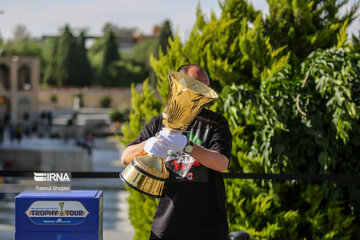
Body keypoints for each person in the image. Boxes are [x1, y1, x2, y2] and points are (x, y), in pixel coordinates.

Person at [121, 64, 232, 240]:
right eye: (197, 85)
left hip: (209, 227)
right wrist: (148, 144)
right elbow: (126, 156)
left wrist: (187, 145)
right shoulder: (159, 122)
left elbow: (221, 164)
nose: (204, 91)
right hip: (166, 225)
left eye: (207, 86)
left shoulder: (216, 122)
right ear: (181, 84)